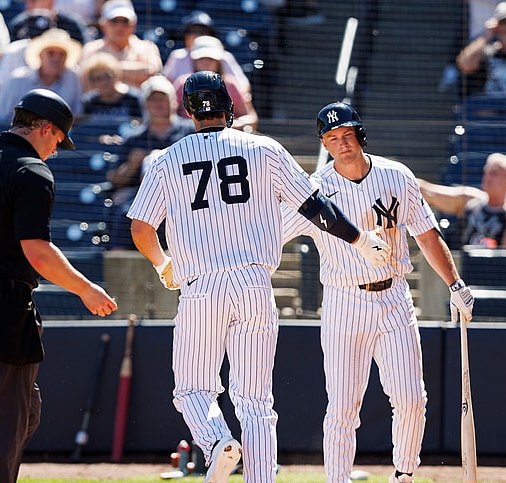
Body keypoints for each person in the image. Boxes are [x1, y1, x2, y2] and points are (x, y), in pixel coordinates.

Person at [127, 71, 391, 483]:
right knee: (255, 401)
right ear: (229, 107)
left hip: (202, 286)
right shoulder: (263, 148)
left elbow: (141, 227)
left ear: (188, 111)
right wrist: (358, 240)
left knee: (193, 390)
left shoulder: (166, 159)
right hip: (254, 284)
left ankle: (216, 442)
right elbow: (315, 206)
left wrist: (164, 264)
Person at [281, 102, 475, 483]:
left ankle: (403, 475)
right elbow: (272, 235)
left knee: (411, 399)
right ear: (324, 142)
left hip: (394, 298)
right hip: (342, 301)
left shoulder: (395, 175)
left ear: (360, 135)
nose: (342, 143)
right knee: (342, 407)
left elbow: (426, 234)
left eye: (347, 135)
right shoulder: (314, 190)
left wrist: (455, 284)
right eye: (332, 138)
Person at [0, 88, 118, 482]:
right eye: (58, 138)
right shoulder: (31, 171)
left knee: (24, 412)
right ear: (44, 128)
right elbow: (36, 251)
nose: (56, 149)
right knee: (2, 425)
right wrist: (85, 288)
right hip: (1, 305)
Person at [105, 74, 193, 249]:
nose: (158, 104)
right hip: (143, 197)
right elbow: (114, 179)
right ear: (145, 104)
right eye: (153, 100)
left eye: (163, 98)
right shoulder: (133, 137)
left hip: (186, 195)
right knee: (125, 213)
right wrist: (132, 165)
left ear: (174, 101)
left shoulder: (189, 131)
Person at [418, 152, 506, 249]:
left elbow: (505, 257)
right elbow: (431, 193)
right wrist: (408, 182)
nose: (487, 177)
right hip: (461, 264)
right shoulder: (471, 200)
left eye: (494, 173)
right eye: (486, 172)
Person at [0, 28, 83, 129]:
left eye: (61, 54)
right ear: (40, 55)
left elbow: (77, 115)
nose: (56, 59)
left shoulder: (74, 78)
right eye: (51, 53)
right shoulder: (17, 80)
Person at [174, 36, 258, 133]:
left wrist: (224, 127)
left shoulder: (231, 85)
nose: (206, 62)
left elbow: (251, 118)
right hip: (186, 138)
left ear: (218, 61)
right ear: (194, 61)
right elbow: (169, 117)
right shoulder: (182, 84)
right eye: (201, 59)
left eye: (210, 59)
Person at [162, 10, 250, 93]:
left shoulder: (223, 56)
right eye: (192, 31)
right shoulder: (177, 56)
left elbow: (244, 87)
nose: (196, 35)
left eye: (202, 31)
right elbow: (165, 86)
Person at [79, 0, 162, 89]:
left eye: (125, 21)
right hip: (100, 102)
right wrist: (133, 71)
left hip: (136, 103)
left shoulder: (146, 47)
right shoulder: (91, 48)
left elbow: (151, 71)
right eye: (114, 21)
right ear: (103, 25)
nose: (119, 27)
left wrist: (106, 69)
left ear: (133, 25)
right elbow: (86, 75)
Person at [80, 52, 143, 118]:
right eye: (98, 78)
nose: (103, 82)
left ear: (116, 74)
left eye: (107, 76)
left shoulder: (133, 99)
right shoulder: (89, 101)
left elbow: (138, 123)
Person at [7, 0, 91, 44]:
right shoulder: (20, 24)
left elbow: (86, 48)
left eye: (34, 0)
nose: (29, 3)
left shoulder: (72, 23)